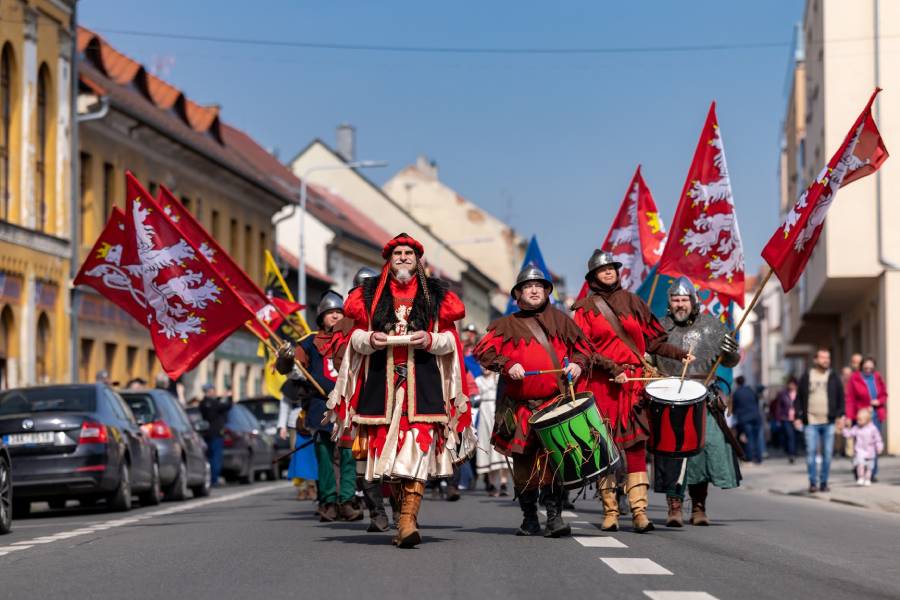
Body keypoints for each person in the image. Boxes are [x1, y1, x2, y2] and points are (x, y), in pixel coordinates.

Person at [327, 233, 475, 548]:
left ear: (417, 258)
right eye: (398, 253)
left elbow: (450, 340)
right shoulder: (368, 294)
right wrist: (370, 340)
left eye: (409, 252)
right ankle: (401, 518)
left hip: (423, 386)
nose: (404, 257)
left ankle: (407, 520)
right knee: (391, 461)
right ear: (389, 259)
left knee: (417, 453)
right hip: (381, 387)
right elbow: (354, 339)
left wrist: (430, 340)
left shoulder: (434, 294)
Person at [572, 251, 692, 533]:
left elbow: (653, 341)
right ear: (593, 277)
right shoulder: (584, 308)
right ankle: (610, 511)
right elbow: (582, 349)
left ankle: (639, 512)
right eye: (603, 270)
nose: (609, 272)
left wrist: (680, 353)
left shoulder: (634, 302)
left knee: (636, 447)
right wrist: (613, 369)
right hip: (602, 384)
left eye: (612, 268)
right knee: (603, 448)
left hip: (634, 384)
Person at [475, 265, 591, 538]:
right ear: (518, 294)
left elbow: (585, 350)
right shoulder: (505, 325)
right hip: (521, 407)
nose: (535, 290)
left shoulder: (563, 321)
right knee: (524, 464)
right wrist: (507, 363)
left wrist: (577, 364)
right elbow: (483, 352)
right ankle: (529, 518)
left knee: (555, 462)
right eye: (529, 287)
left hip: (556, 404)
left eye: (539, 286)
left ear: (547, 291)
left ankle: (554, 517)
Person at [652, 276, 742, 527]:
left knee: (702, 451)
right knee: (671, 452)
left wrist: (732, 351)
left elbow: (730, 361)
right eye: (675, 300)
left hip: (703, 395)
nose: (680, 304)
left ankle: (699, 505)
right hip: (668, 396)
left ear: (693, 301)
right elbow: (648, 358)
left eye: (684, 300)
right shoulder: (659, 328)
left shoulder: (712, 326)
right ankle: (674, 506)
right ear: (670, 302)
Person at [278, 291, 363, 523]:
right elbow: (289, 368)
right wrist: (284, 356)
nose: (335, 317)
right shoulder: (309, 342)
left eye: (339, 312)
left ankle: (347, 501)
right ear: (321, 318)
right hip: (320, 405)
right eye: (330, 313)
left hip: (347, 404)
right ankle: (327, 502)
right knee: (324, 456)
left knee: (347, 455)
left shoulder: (354, 337)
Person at [795, 348, 845, 493]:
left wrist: (841, 415)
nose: (826, 360)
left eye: (828, 358)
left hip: (829, 421)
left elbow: (841, 397)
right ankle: (812, 482)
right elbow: (798, 398)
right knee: (810, 453)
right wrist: (797, 417)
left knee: (828, 454)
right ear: (815, 360)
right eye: (823, 358)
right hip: (810, 421)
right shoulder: (807, 376)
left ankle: (824, 482)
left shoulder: (833, 376)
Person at [845, 356, 887, 481]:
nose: (868, 370)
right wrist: (849, 416)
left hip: (875, 415)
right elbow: (850, 399)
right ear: (862, 366)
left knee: (873, 443)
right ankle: (859, 470)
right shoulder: (855, 378)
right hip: (861, 416)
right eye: (866, 367)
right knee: (860, 445)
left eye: (871, 367)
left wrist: (878, 401)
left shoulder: (877, 377)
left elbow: (884, 393)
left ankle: (872, 472)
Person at [199, 383, 232, 487]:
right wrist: (229, 396)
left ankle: (210, 479)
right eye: (213, 390)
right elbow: (227, 406)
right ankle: (214, 479)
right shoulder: (213, 403)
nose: (214, 392)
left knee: (209, 457)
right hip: (216, 434)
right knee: (215, 457)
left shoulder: (203, 403)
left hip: (207, 433)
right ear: (209, 391)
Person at [842, 407, 884, 486]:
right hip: (860, 451)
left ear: (867, 420)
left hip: (870, 451)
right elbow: (849, 434)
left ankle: (867, 479)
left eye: (860, 420)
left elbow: (878, 439)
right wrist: (845, 429)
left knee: (869, 468)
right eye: (858, 419)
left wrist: (879, 447)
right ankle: (861, 477)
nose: (858, 421)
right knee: (860, 465)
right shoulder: (856, 428)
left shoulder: (873, 429)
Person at [732, 376, 763, 464]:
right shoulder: (751, 390)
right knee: (757, 438)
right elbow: (757, 402)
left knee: (749, 438)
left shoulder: (737, 393)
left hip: (745, 418)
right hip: (756, 416)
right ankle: (759, 458)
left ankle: (750, 458)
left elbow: (734, 407)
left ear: (737, 383)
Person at [772, 378, 798, 463]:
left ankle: (793, 451)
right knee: (790, 436)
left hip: (796, 418)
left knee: (795, 436)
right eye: (790, 384)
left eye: (793, 384)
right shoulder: (783, 394)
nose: (791, 386)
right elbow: (779, 406)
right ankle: (791, 454)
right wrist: (778, 418)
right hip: (786, 418)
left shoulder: (798, 393)